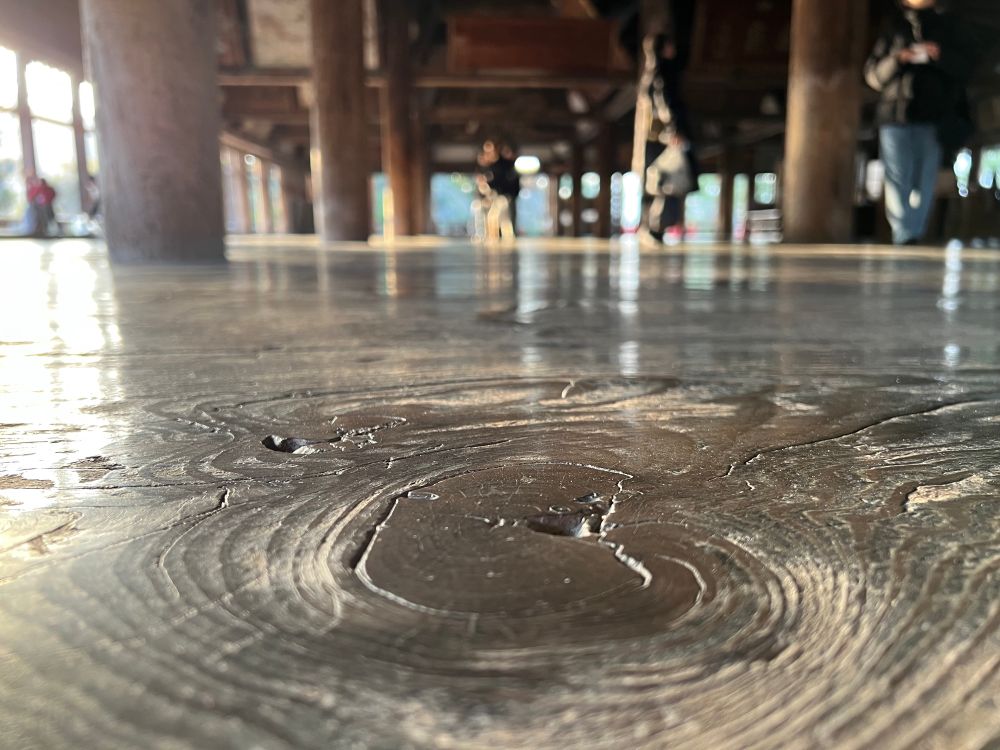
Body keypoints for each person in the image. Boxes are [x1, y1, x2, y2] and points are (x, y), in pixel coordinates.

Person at [864, 0, 977, 245]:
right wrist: (898, 59)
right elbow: (873, 75)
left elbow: (965, 69)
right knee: (897, 177)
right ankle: (904, 233)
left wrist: (939, 56)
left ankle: (912, 232)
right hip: (894, 118)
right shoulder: (893, 29)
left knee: (924, 178)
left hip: (933, 118)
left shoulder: (950, 27)